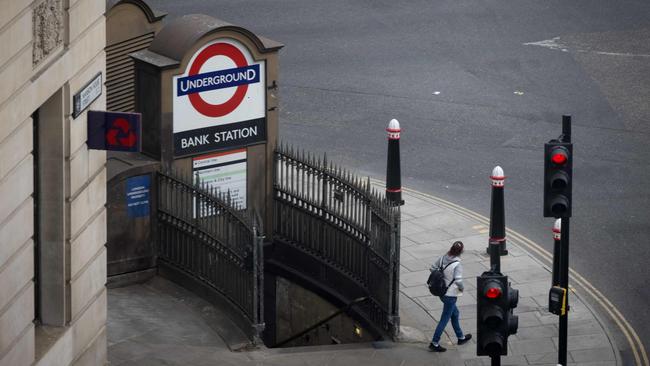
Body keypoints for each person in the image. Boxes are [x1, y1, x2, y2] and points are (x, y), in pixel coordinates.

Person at [429, 241, 472, 352]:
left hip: (442, 292)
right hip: (450, 295)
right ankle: (434, 342)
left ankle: (460, 337)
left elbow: (432, 268)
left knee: (455, 313)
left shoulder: (443, 258)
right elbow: (458, 280)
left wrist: (441, 277)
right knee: (444, 319)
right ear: (461, 251)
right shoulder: (457, 264)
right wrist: (462, 288)